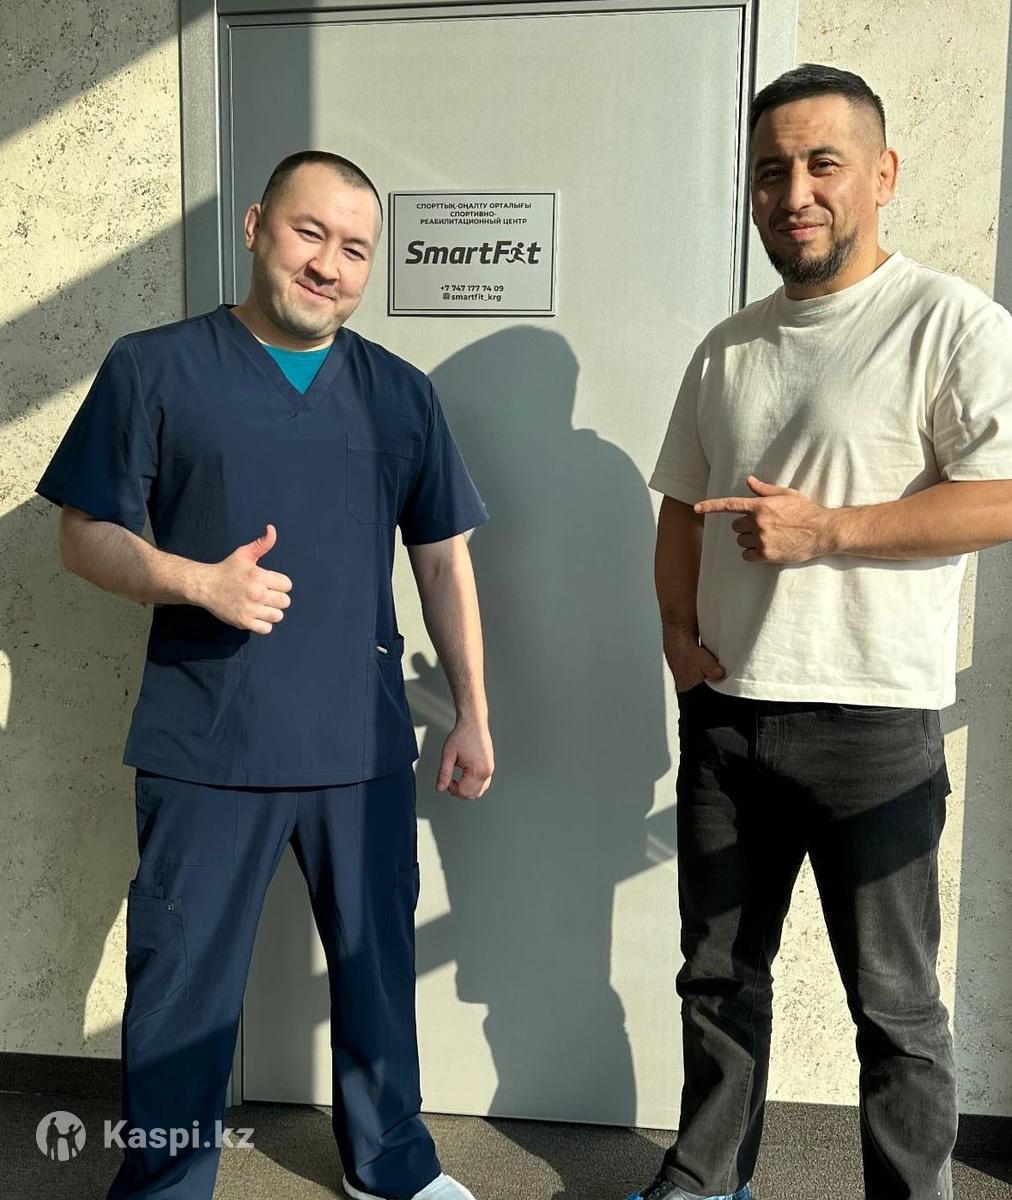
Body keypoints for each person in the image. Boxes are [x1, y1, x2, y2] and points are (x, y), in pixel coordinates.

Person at [37, 150, 494, 1200]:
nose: (329, 264)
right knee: (180, 989)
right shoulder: (154, 368)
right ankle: (165, 1186)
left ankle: (391, 1166)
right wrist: (196, 582)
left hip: (359, 742)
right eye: (308, 233)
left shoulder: (399, 394)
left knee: (378, 972)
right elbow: (82, 534)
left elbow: (442, 559)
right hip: (207, 740)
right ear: (255, 228)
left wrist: (472, 710)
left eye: (355, 249)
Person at [630, 64, 1012, 1200]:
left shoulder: (950, 322)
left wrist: (829, 530)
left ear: (881, 175)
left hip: (874, 725)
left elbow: (1003, 494)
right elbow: (680, 503)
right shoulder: (727, 345)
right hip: (727, 719)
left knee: (894, 1008)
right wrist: (677, 637)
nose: (792, 193)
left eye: (821, 164)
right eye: (770, 171)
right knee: (718, 979)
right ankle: (708, 1181)